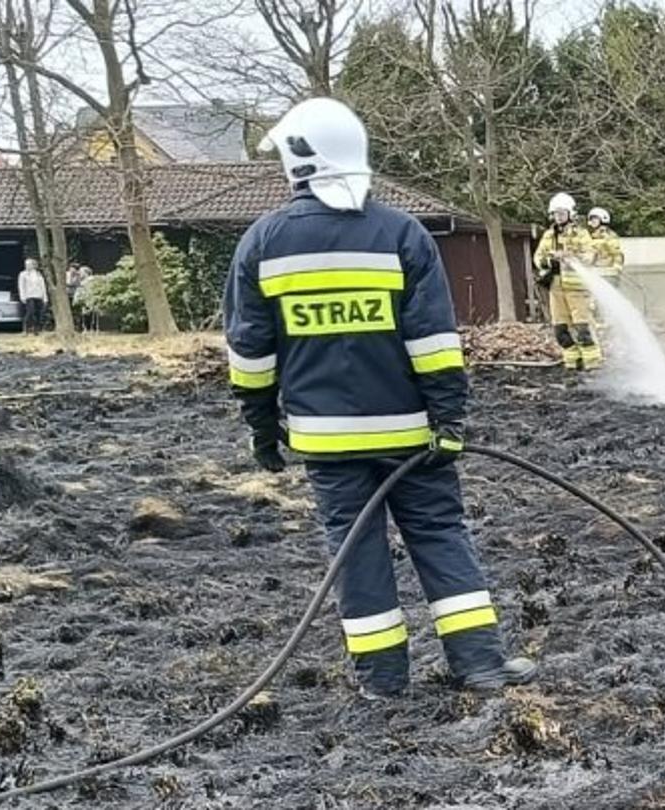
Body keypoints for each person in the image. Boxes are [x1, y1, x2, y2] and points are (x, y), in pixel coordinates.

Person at [222, 97, 535, 699]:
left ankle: (383, 682)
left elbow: (250, 353)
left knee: (355, 555)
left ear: (298, 160)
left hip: (327, 444)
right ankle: (481, 666)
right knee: (441, 536)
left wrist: (262, 427)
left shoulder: (262, 243)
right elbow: (436, 343)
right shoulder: (401, 234)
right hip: (413, 437)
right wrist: (449, 416)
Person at [531, 194, 601, 371]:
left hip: (577, 290)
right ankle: (572, 364)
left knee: (583, 329)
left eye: (562, 213)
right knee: (560, 330)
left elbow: (591, 256)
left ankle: (592, 365)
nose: (558, 217)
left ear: (571, 214)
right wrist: (548, 261)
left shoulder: (581, 234)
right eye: (555, 214)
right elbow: (538, 257)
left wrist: (572, 257)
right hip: (556, 289)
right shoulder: (548, 235)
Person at [584, 207, 624, 285]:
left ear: (603, 219)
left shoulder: (609, 236)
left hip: (608, 273)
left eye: (595, 219)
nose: (592, 221)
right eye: (591, 219)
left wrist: (617, 267)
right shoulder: (590, 236)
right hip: (595, 273)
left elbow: (617, 253)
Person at [17, 258, 47, 334]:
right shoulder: (23, 274)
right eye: (26, 265)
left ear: (33, 265)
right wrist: (22, 296)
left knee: (38, 313)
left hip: (38, 295)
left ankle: (36, 329)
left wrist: (45, 297)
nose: (27, 266)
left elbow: (42, 286)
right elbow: (21, 286)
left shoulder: (38, 274)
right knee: (30, 312)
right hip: (29, 296)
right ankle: (26, 329)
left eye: (29, 264)